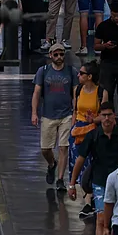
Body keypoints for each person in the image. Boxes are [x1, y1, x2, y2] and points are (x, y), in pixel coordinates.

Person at [70, 104, 118, 235]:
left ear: (114, 117)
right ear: (99, 117)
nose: (107, 119)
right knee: (101, 219)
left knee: (116, 220)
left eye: (110, 115)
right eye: (103, 115)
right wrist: (72, 184)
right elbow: (80, 160)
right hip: (100, 182)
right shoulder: (93, 136)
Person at [32, 45, 79, 188]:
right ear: (50, 55)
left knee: (64, 147)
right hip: (48, 115)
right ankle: (52, 164)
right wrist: (34, 112)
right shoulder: (43, 71)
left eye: (62, 54)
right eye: (56, 54)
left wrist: (75, 113)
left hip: (66, 114)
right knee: (45, 149)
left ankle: (60, 180)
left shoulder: (71, 71)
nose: (59, 57)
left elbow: (75, 93)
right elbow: (36, 93)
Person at [71, 61, 107, 219]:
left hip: (93, 130)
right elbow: (75, 110)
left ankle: (89, 200)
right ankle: (87, 198)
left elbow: (105, 114)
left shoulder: (101, 92)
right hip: (79, 131)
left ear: (90, 76)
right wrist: (72, 128)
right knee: (78, 163)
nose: (78, 75)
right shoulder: (77, 90)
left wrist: (95, 120)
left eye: (81, 73)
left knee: (91, 165)